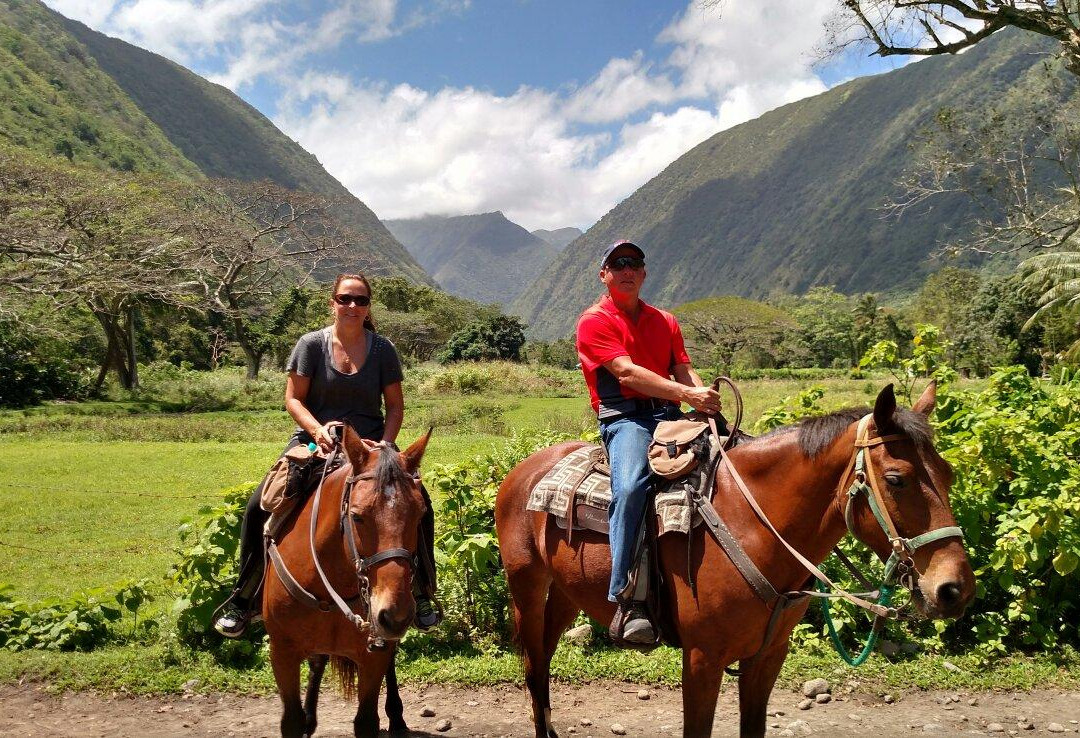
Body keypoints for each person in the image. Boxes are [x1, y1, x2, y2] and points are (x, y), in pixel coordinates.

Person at [213, 272, 440, 637]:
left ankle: (422, 592)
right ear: (332, 302)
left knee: (419, 503)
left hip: (371, 446)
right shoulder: (310, 345)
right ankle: (245, 597)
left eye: (361, 300)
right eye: (346, 299)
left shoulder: (382, 350)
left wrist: (384, 442)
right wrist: (318, 430)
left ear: (368, 308)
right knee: (260, 504)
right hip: (316, 442)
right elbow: (293, 399)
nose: (353, 306)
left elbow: (395, 407)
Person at [575, 240, 721, 645]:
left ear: (644, 272)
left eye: (634, 263)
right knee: (631, 485)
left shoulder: (665, 320)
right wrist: (687, 395)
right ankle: (626, 595)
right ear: (604, 274)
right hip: (626, 418)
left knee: (735, 460)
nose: (627, 269)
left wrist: (704, 399)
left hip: (670, 414)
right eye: (617, 263)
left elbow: (684, 369)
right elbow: (626, 374)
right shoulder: (594, 320)